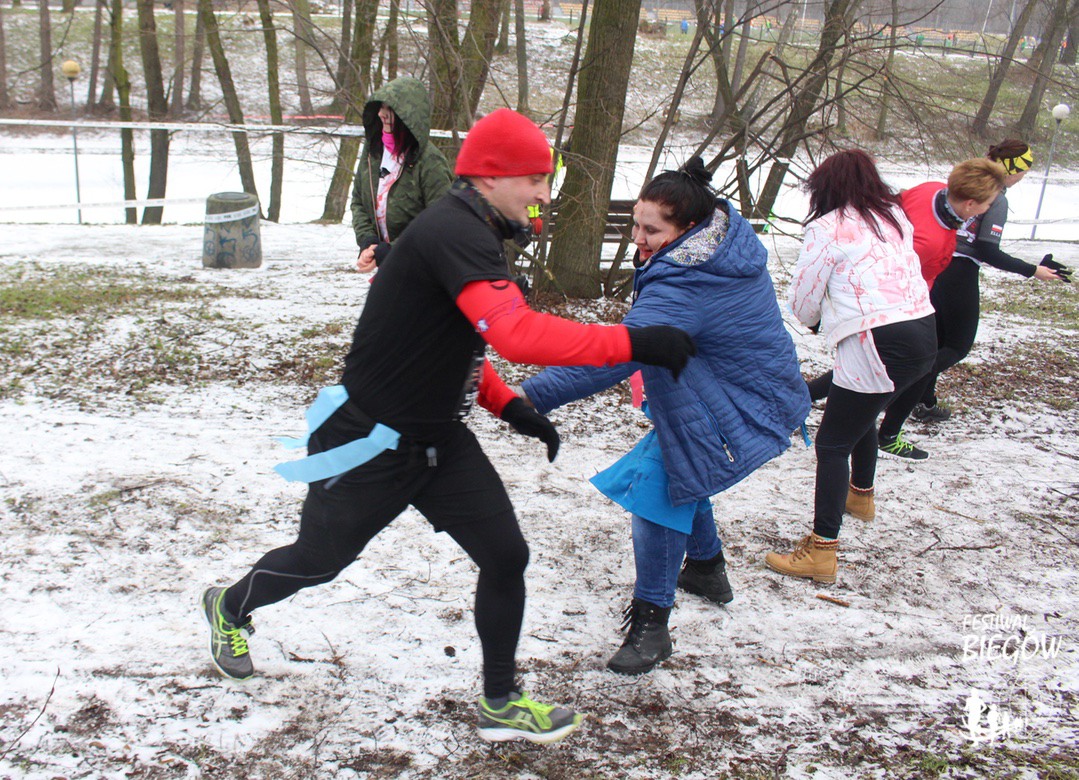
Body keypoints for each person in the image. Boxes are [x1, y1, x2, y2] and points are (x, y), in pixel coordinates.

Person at [201, 108, 697, 745]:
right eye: (535, 179)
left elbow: (451, 341)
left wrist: (510, 407)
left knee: (506, 556)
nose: (545, 195)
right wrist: (635, 341)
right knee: (319, 561)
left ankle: (501, 701)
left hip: (439, 440)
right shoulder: (452, 230)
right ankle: (229, 605)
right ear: (491, 176)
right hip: (368, 441)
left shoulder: (474, 230)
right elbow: (515, 333)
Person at [520, 157, 810, 675]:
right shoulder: (720, 248)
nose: (639, 238)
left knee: (656, 492)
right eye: (636, 224)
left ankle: (652, 628)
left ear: (688, 227)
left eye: (651, 230)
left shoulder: (688, 281)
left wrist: (528, 396)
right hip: (745, 390)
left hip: (739, 404)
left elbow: (618, 354)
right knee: (684, 469)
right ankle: (706, 569)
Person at [765, 150, 936, 583]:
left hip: (876, 338)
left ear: (824, 188)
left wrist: (814, 319)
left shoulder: (827, 227)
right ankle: (860, 497)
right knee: (860, 411)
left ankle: (822, 552)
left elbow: (804, 298)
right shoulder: (894, 217)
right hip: (923, 331)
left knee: (832, 444)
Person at [909, 140, 1072, 423]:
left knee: (938, 342)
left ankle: (923, 400)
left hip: (938, 262)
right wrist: (1032, 270)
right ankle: (902, 388)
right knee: (957, 346)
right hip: (959, 273)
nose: (1024, 177)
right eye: (1025, 170)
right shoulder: (998, 198)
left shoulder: (969, 179)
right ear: (1013, 169)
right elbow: (987, 250)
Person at [872, 157, 1007, 460]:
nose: (988, 210)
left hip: (915, 301)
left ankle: (809, 401)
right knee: (908, 365)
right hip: (899, 306)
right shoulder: (929, 241)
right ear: (971, 204)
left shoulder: (932, 190)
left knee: (911, 363)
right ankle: (883, 432)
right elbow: (891, 274)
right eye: (988, 205)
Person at [350, 76, 452, 273]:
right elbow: (358, 200)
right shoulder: (373, 151)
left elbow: (439, 222)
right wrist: (368, 242)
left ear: (409, 116)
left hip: (426, 269)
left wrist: (393, 250)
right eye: (380, 107)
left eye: (390, 109)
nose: (381, 114)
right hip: (391, 267)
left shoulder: (431, 162)